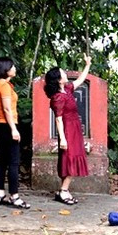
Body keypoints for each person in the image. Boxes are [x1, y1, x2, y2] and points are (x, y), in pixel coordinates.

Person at [43, 54, 92, 205]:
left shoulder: (67, 90)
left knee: (71, 158)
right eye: (62, 73)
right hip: (67, 130)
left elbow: (80, 80)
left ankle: (64, 190)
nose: (65, 73)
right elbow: (58, 119)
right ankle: (63, 191)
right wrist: (63, 139)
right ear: (59, 80)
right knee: (70, 158)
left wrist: (87, 65)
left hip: (74, 128)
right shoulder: (58, 97)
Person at [0, 57, 30, 209]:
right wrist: (13, 129)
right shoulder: (4, 86)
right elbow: (7, 109)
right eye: (12, 66)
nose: (14, 69)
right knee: (13, 162)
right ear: (5, 69)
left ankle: (0, 193)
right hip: (7, 125)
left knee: (2, 161)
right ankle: (15, 196)